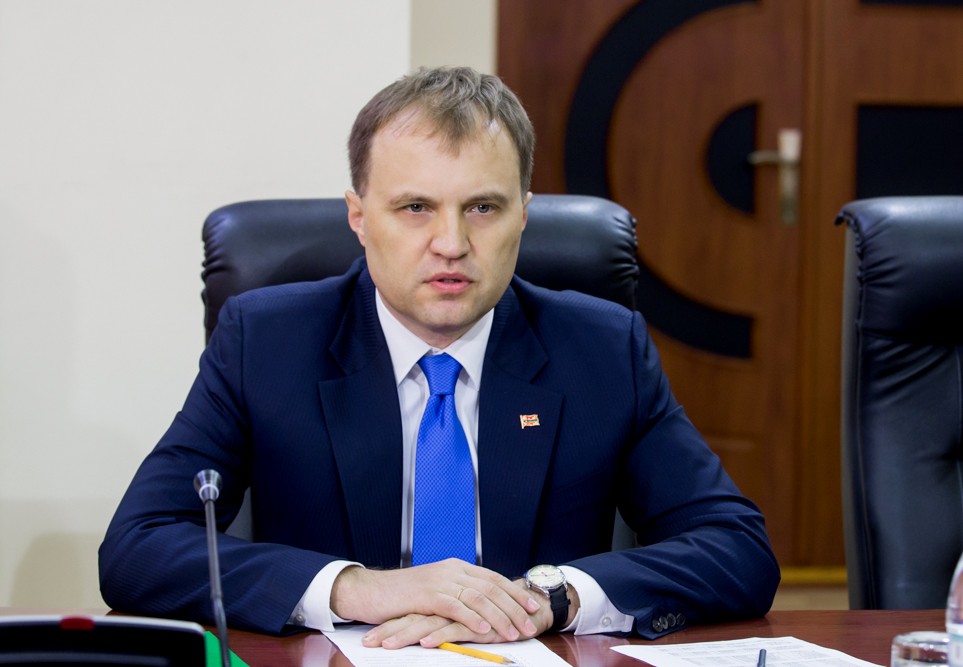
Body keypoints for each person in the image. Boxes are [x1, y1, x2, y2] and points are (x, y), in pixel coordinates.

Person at [99, 66, 779, 648]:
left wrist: (552, 596)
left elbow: (737, 547)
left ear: (523, 214)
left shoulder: (602, 347)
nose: (451, 242)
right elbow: (138, 546)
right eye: (416, 207)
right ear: (359, 216)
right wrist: (355, 587)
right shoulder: (266, 341)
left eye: (482, 207)